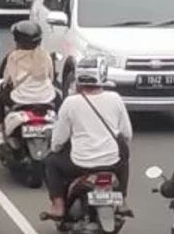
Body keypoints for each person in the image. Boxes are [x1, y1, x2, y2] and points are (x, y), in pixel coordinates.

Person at [45, 55, 132, 220]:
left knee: (51, 161)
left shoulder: (70, 103)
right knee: (125, 156)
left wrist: (56, 148)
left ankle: (58, 205)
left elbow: (58, 140)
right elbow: (127, 134)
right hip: (112, 163)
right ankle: (122, 200)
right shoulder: (115, 99)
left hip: (80, 164)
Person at [0, 20, 57, 135]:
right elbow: (50, 77)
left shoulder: (13, 56)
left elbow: (7, 78)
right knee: (60, 101)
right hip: (46, 96)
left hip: (20, 97)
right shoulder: (45, 55)